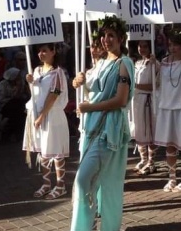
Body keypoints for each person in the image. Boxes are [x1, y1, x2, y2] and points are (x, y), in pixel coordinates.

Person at [70, 15, 135, 231]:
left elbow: (120, 100)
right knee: (91, 180)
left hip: (109, 130)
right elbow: (87, 85)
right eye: (104, 35)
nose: (107, 39)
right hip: (91, 128)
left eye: (112, 35)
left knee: (83, 179)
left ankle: (89, 226)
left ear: (121, 38)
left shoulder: (124, 63)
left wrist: (90, 107)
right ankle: (91, 224)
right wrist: (77, 81)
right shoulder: (100, 64)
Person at [23, 43, 70, 200]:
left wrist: (42, 116)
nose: (41, 54)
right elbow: (36, 94)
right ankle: (46, 183)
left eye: (44, 50)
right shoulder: (36, 71)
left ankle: (61, 185)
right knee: (43, 151)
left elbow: (54, 94)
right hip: (37, 115)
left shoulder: (58, 73)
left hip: (52, 116)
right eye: (39, 51)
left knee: (56, 151)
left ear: (53, 52)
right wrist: (29, 81)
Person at [154, 29, 181, 193]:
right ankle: (172, 178)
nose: (173, 48)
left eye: (176, 45)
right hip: (166, 108)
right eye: (171, 45)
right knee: (170, 146)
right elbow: (158, 84)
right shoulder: (164, 62)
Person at [131, 40, 160, 175]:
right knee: (140, 130)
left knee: (151, 131)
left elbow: (155, 85)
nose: (142, 49)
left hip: (149, 100)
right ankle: (143, 159)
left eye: (145, 46)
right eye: (140, 46)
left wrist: (136, 87)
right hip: (137, 101)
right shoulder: (137, 63)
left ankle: (151, 162)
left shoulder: (155, 64)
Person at [0, 68, 28, 141]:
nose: (19, 76)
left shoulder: (20, 83)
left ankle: (6, 122)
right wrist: (12, 98)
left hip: (16, 105)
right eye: (18, 75)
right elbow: (0, 99)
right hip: (4, 104)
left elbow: (22, 96)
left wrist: (18, 89)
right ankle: (14, 134)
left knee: (18, 110)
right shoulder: (3, 84)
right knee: (16, 105)